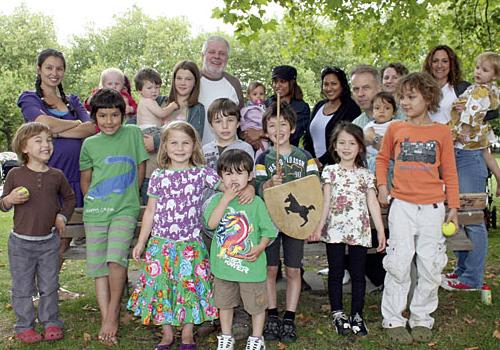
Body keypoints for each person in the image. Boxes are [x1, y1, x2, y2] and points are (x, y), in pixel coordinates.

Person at [376, 72, 459, 344]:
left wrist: (454, 208)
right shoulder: (395, 129)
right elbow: (382, 159)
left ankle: (422, 317)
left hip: (433, 209)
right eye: (402, 97)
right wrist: (382, 187)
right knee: (398, 262)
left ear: (429, 97)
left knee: (430, 265)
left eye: (411, 97)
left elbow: (450, 173)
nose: (405, 102)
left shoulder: (441, 132)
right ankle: (393, 318)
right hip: (402, 206)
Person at [127, 121, 219, 350]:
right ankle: (167, 334)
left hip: (190, 244)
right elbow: (150, 211)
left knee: (188, 288)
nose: (180, 148)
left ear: (194, 146)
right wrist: (141, 241)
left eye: (185, 143)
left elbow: (227, 187)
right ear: (165, 147)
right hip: (161, 244)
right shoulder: (159, 176)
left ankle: (187, 334)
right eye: (174, 143)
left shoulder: (202, 173)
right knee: (162, 287)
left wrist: (245, 188)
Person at [17, 48, 95, 295]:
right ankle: (32, 289)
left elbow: (92, 127)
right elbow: (42, 123)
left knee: (64, 235)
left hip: (73, 176)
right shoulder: (29, 98)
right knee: (41, 234)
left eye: (59, 68)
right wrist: (72, 126)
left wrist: (57, 131)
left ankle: (50, 287)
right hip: (44, 176)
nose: (54, 72)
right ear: (39, 69)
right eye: (49, 67)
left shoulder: (72, 100)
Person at [80, 89, 149, 345]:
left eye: (114, 115)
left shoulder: (132, 134)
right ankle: (107, 314)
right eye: (103, 116)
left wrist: (129, 197)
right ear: (94, 117)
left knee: (116, 260)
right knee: (99, 267)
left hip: (124, 209)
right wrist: (95, 203)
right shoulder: (89, 144)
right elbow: (86, 180)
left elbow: (140, 167)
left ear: (123, 114)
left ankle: (112, 316)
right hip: (96, 212)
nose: (109, 121)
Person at [0, 122, 75, 344]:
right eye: (39, 141)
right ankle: (24, 325)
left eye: (49, 140)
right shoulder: (15, 174)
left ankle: (51, 321)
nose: (46, 145)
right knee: (22, 286)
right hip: (21, 244)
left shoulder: (56, 175)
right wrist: (9, 199)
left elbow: (69, 198)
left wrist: (62, 216)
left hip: (48, 242)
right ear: (24, 147)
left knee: (49, 284)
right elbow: (2, 203)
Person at [310, 121, 385, 336]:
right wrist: (319, 226)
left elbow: (372, 203)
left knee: (358, 273)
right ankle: (338, 313)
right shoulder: (330, 172)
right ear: (334, 146)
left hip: (359, 230)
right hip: (334, 230)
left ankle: (357, 315)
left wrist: (379, 230)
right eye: (341, 142)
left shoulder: (365, 174)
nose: (346, 147)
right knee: (335, 272)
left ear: (360, 147)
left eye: (352, 143)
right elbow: (326, 201)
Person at [255, 102, 319, 343]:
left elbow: (314, 187)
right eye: (272, 125)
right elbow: (258, 190)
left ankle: (289, 316)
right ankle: (272, 314)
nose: (278, 129)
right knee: (270, 269)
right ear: (266, 131)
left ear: (292, 128)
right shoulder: (263, 158)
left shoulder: (305, 157)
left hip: (294, 222)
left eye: (283, 124)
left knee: (293, 270)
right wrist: (270, 184)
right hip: (270, 221)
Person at [204, 149, 278, 350]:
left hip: (251, 268)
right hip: (224, 268)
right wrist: (226, 199)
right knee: (225, 303)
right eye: (228, 174)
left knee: (255, 305)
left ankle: (256, 337)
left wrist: (261, 247)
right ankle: (226, 336)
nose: (233, 178)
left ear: (250, 176)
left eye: (239, 173)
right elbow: (211, 224)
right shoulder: (216, 201)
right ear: (220, 177)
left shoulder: (256, 202)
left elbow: (268, 231)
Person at [442, 51, 500, 291]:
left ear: (495, 76)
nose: (478, 72)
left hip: (468, 160)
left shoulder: (483, 95)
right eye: (477, 67)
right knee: (461, 219)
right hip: (461, 156)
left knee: (473, 220)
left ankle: (472, 278)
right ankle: (462, 270)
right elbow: (485, 144)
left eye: (485, 69)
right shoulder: (473, 92)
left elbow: (463, 127)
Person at [304, 66, 361, 166]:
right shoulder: (319, 106)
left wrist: (321, 161)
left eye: (334, 84)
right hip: (313, 167)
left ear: (342, 85)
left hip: (338, 167)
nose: (329, 88)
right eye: (326, 84)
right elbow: (308, 137)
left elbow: (347, 140)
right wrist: (311, 160)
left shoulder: (351, 108)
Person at [198, 36, 244, 145]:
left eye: (222, 53)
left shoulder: (234, 83)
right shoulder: (192, 80)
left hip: (230, 154)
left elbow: (242, 119)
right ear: (202, 55)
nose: (217, 56)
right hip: (196, 153)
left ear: (227, 58)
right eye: (212, 52)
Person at [422, 45, 470, 124]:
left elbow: (492, 112)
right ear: (429, 64)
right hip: (428, 135)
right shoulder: (421, 89)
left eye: (444, 61)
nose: (439, 65)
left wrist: (469, 111)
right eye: (435, 61)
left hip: (455, 136)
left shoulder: (462, 87)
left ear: (451, 64)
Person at [203, 98, 254, 171]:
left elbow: (250, 178)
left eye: (230, 120)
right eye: (218, 121)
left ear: (238, 123)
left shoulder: (245, 149)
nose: (225, 126)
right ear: (211, 125)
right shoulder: (205, 151)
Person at [265, 65, 310, 147]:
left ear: (292, 83)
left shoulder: (302, 107)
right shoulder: (267, 103)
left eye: (282, 81)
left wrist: (260, 134)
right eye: (275, 81)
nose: (277, 85)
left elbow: (293, 134)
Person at [364, 92, 398, 173]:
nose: (382, 111)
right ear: (372, 112)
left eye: (387, 108)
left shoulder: (396, 124)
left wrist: (374, 138)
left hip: (389, 162)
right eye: (377, 108)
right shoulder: (368, 127)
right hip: (369, 162)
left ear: (394, 113)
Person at [240, 81, 268, 155]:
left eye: (261, 94)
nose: (258, 96)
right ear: (249, 96)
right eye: (255, 94)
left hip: (263, 136)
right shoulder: (250, 109)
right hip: (250, 135)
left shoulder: (263, 108)